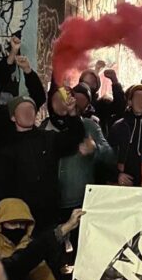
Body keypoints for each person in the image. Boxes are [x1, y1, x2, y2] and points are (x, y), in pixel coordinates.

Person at [0, 95, 84, 229]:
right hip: (20, 217)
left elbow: (74, 137)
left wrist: (72, 114)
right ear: (13, 117)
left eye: (31, 109)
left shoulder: (48, 138)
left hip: (49, 215)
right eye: (22, 110)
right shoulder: (5, 147)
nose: (28, 113)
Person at [45, 85, 116, 215]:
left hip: (80, 202)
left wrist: (95, 149)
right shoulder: (42, 128)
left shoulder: (89, 126)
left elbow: (110, 157)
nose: (62, 103)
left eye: (65, 98)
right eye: (56, 99)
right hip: (50, 204)